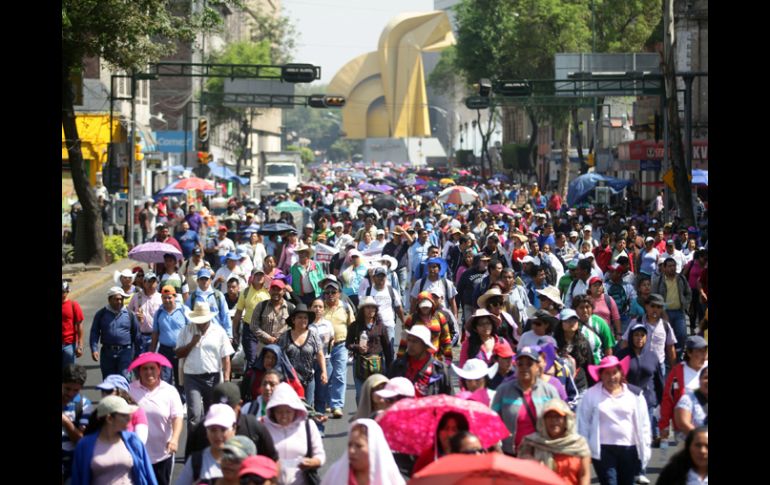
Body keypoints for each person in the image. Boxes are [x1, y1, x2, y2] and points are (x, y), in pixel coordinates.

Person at [576, 355, 651, 485]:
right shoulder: (590, 395)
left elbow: (644, 424)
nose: (611, 377)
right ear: (600, 375)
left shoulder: (635, 395)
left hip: (629, 448)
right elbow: (583, 422)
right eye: (607, 373)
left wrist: (645, 448)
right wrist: (584, 449)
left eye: (614, 372)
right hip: (603, 449)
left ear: (621, 373)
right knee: (610, 482)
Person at [491, 345, 561, 456]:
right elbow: (492, 422)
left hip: (542, 454)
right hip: (510, 455)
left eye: (529, 364)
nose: (524, 367)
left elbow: (561, 423)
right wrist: (497, 449)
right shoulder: (503, 391)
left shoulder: (549, 391)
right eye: (520, 364)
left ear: (538, 366)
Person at [71, 395, 158, 485]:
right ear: (109, 418)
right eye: (124, 415)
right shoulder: (84, 445)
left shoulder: (133, 440)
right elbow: (78, 479)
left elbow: (148, 474)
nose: (129, 418)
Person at [176, 301, 235, 429]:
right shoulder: (186, 330)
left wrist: (226, 380)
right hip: (191, 377)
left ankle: (209, 445)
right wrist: (192, 343)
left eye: (203, 320)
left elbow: (226, 358)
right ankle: (192, 446)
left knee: (212, 414)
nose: (201, 323)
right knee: (194, 415)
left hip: (212, 377)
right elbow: (178, 353)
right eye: (198, 320)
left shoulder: (219, 332)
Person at [128, 353, 184, 485]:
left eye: (152, 368)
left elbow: (177, 417)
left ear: (159, 370)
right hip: (136, 455)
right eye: (145, 369)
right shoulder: (130, 391)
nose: (149, 372)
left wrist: (174, 439)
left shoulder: (170, 391)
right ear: (139, 371)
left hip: (162, 455)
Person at [262, 382, 326, 485]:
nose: (284, 416)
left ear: (295, 410)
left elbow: (320, 456)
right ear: (273, 412)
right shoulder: (264, 427)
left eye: (288, 412)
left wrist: (311, 462)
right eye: (279, 412)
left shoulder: (308, 426)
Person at [518, 399, 592, 485]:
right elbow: (522, 473)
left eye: (558, 416)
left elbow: (584, 475)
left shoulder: (579, 444)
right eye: (549, 417)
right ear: (543, 421)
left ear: (566, 420)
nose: (553, 420)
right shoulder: (531, 443)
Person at [321, 419, 405, 485]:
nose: (351, 451)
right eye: (350, 445)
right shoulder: (335, 474)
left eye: (359, 446)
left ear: (374, 448)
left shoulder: (390, 477)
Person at [659, 336, 708, 443]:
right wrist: (664, 424)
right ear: (689, 353)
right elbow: (668, 399)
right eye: (699, 351)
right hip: (683, 430)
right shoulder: (677, 373)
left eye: (705, 351)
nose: (704, 355)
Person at [346, 296, 394, 404]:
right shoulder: (355, 326)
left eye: (373, 308)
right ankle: (362, 417)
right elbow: (347, 344)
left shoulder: (381, 327)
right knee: (360, 394)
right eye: (367, 307)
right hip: (360, 364)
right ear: (362, 310)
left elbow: (388, 349)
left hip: (377, 364)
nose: (370, 310)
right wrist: (357, 347)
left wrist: (390, 369)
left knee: (377, 394)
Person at [175, 404, 238, 484]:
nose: (218, 435)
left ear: (234, 429)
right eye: (213, 430)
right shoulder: (196, 461)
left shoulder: (244, 462)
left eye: (223, 429)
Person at [279, 304, 328, 405]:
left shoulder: (313, 335)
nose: (303, 320)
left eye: (305, 318)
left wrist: (324, 372)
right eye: (300, 317)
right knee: (292, 406)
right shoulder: (285, 336)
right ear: (293, 320)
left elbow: (319, 353)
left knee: (308, 407)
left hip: (308, 378)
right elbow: (279, 356)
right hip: (290, 379)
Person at [323, 279, 357, 418]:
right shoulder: (320, 307)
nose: (330, 294)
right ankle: (326, 402)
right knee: (327, 375)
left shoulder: (345, 307)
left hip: (341, 345)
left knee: (339, 375)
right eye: (327, 292)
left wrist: (352, 344)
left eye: (333, 292)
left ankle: (337, 405)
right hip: (324, 347)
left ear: (339, 294)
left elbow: (353, 325)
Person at [90, 287, 140, 380]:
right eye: (116, 299)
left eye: (121, 299)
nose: (119, 302)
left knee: (124, 378)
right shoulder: (101, 314)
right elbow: (94, 332)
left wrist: (136, 354)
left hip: (125, 352)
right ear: (109, 299)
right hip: (107, 353)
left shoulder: (130, 314)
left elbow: (136, 334)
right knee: (109, 381)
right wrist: (94, 349)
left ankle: (123, 395)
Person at [388, 325, 452, 397]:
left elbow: (450, 400)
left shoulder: (439, 370)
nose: (410, 344)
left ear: (425, 345)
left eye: (415, 341)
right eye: (409, 340)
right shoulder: (397, 366)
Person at [150, 285, 189, 391]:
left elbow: (191, 330)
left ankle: (182, 403)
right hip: (164, 350)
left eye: (169, 297)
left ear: (175, 297)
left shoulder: (184, 311)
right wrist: (152, 353)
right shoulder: (158, 313)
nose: (167, 300)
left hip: (181, 350)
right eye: (164, 297)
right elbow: (155, 334)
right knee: (164, 381)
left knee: (181, 380)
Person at [652, 257, 692, 359]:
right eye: (669, 266)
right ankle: (666, 358)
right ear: (664, 268)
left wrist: (686, 304)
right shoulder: (658, 281)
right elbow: (654, 297)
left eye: (674, 266)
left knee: (682, 336)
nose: (672, 268)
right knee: (665, 337)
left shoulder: (681, 278)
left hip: (679, 312)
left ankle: (677, 358)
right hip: (664, 313)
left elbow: (688, 293)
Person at [398, 292, 453, 363]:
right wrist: (399, 358)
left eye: (427, 306)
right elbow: (404, 340)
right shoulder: (411, 319)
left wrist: (448, 357)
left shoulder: (440, 317)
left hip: (436, 359)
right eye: (423, 306)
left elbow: (446, 338)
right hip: (416, 359)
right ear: (418, 305)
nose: (425, 308)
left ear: (432, 304)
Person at [62, 364, 94, 483]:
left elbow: (80, 440)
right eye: (67, 389)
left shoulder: (84, 405)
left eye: (75, 390)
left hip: (72, 462)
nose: (70, 394)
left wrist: (65, 421)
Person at [96, 374, 149, 444]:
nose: (104, 395)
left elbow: (140, 442)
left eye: (108, 391)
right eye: (103, 391)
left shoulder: (137, 412)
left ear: (121, 392)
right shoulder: (100, 412)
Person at [128, 271, 164, 354]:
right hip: (140, 336)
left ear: (157, 283)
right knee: (141, 362)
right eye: (149, 281)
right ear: (144, 283)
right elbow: (128, 314)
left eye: (153, 282)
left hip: (156, 336)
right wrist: (135, 317)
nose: (151, 284)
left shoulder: (161, 298)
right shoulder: (136, 297)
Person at [674, 366, 708, 439]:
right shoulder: (687, 399)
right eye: (706, 378)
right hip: (694, 444)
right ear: (699, 380)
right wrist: (704, 439)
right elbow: (683, 424)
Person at [62, 280, 85, 367]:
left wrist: (80, 345)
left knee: (68, 373)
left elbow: (79, 326)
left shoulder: (73, 305)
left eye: (63, 292)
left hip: (68, 345)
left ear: (68, 291)